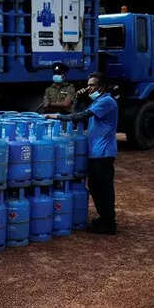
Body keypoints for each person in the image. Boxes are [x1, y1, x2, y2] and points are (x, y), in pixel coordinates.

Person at [46, 72, 118, 234]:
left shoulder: (107, 101)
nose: (88, 88)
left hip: (103, 153)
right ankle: (104, 218)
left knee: (103, 188)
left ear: (102, 86)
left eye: (92, 85)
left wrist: (56, 116)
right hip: (96, 152)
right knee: (94, 186)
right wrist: (78, 98)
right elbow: (79, 113)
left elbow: (82, 115)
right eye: (88, 85)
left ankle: (109, 223)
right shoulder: (98, 101)